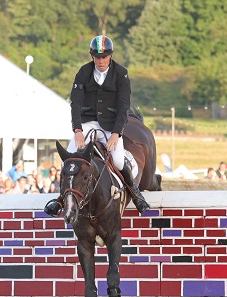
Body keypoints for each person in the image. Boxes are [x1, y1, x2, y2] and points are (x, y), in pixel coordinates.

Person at [44, 35, 150, 216]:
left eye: (104, 56)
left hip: (111, 126)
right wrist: (77, 130)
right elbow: (75, 103)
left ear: (111, 55)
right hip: (87, 123)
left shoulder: (121, 73)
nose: (101, 60)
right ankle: (60, 200)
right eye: (97, 57)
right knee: (69, 160)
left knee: (117, 160)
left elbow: (123, 105)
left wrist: (117, 133)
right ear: (92, 56)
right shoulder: (83, 72)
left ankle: (135, 192)